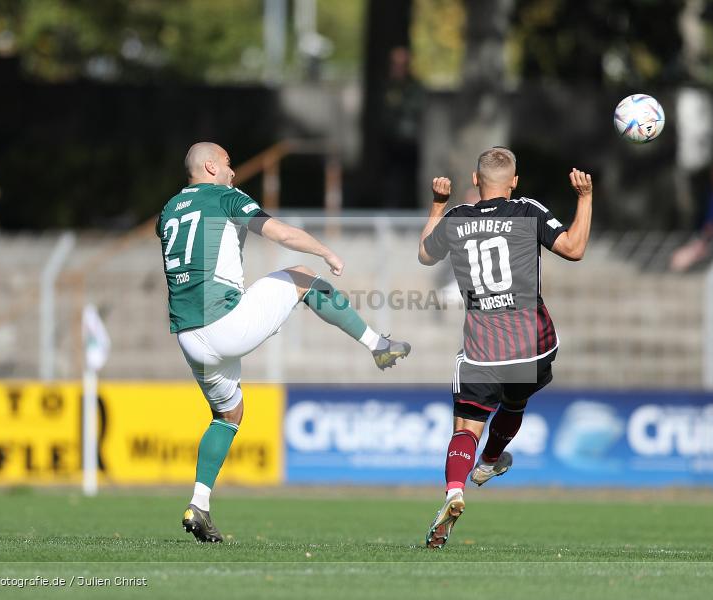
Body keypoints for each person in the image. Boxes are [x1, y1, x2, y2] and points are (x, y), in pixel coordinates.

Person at [160, 142, 410, 543]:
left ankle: (199, 505)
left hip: (189, 336)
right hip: (224, 322)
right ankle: (377, 344)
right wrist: (325, 250)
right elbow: (278, 232)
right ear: (209, 166)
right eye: (227, 164)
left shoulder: (170, 209)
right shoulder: (224, 196)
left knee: (229, 414)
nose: (233, 172)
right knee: (302, 275)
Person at [417, 147, 593, 549]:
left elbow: (426, 255)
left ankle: (454, 492)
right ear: (514, 183)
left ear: (476, 181)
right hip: (533, 346)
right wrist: (584, 197)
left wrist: (438, 204)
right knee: (514, 403)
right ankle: (492, 461)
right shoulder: (527, 210)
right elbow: (574, 248)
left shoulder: (458, 218)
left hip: (483, 349)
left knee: (465, 428)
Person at [379, 46, 424, 209]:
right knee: (391, 182)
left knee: (408, 181)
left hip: (409, 142)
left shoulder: (413, 88)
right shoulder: (388, 86)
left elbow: (414, 110)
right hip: (391, 142)